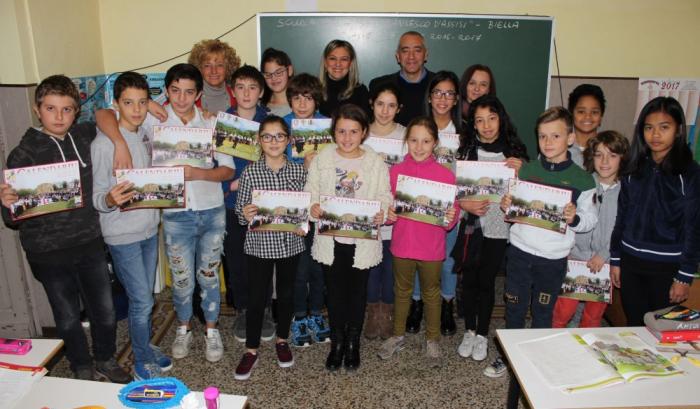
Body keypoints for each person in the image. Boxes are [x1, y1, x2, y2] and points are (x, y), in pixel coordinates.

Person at [96, 63, 235, 363]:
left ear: (198, 94)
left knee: (209, 276)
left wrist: (196, 173)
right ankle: (183, 327)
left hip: (211, 212)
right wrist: (120, 141)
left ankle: (212, 330)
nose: (181, 98)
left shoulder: (212, 123)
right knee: (182, 279)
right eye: (175, 91)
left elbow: (227, 170)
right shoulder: (152, 120)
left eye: (188, 92)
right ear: (166, 91)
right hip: (175, 215)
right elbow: (103, 114)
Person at [0, 75, 130, 382]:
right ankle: (80, 364)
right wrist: (7, 204)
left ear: (76, 111)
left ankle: (106, 358)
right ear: (37, 109)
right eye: (51, 108)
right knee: (68, 316)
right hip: (47, 252)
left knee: (105, 310)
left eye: (67, 109)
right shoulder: (22, 155)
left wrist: (121, 138)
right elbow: (12, 220)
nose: (59, 117)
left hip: (88, 242)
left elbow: (105, 114)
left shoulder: (83, 135)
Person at [497, 107, 597, 380]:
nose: (548, 142)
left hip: (552, 259)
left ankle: (538, 358)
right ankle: (508, 355)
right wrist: (508, 205)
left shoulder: (583, 179)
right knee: (514, 305)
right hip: (519, 252)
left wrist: (574, 217)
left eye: (555, 135)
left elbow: (590, 220)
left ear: (570, 138)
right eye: (542, 136)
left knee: (543, 310)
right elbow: (514, 210)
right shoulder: (527, 170)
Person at [91, 72, 172, 380]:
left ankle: (145, 346)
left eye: (142, 102)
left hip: (149, 229)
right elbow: (97, 195)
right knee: (142, 300)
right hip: (122, 234)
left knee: (145, 299)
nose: (137, 110)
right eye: (128, 103)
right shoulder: (104, 145)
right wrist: (110, 200)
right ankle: (141, 360)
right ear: (116, 105)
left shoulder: (141, 134)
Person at [306, 103, 392, 371]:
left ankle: (353, 342)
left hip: (362, 242)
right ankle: (337, 342)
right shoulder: (323, 157)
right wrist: (313, 207)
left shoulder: (374, 161)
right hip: (331, 241)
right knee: (334, 294)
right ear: (334, 132)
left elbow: (385, 195)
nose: (347, 138)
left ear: (364, 132)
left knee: (357, 294)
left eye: (353, 131)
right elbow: (310, 191)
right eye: (341, 131)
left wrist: (382, 212)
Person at [610, 97, 700, 326]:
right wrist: (616, 259)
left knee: (662, 330)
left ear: (678, 130)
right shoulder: (633, 167)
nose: (655, 135)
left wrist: (685, 275)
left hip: (667, 267)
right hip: (631, 262)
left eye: (664, 127)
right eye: (649, 128)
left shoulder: (689, 173)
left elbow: (694, 226)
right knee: (635, 325)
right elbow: (622, 217)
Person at [377, 116, 459, 367]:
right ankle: (398, 335)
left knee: (431, 294)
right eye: (413, 140)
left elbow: (451, 215)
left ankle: (432, 339)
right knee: (401, 292)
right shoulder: (396, 171)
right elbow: (389, 207)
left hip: (432, 248)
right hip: (402, 244)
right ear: (406, 141)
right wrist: (389, 216)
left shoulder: (445, 176)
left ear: (435, 143)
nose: (419, 146)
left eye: (426, 141)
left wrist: (449, 218)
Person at [455, 95, 528, 368]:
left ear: (501, 119)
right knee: (469, 282)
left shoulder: (513, 156)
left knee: (486, 283)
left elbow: (526, 198)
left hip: (498, 230)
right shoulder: (465, 154)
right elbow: (454, 192)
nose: (486, 126)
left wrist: (523, 172)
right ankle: (470, 330)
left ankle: (483, 334)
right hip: (471, 229)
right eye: (479, 120)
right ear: (473, 125)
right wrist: (464, 203)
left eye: (492, 119)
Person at [233, 116, 307, 380]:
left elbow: (305, 212)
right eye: (267, 136)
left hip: (290, 244)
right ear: (259, 140)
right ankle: (251, 349)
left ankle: (282, 340)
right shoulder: (251, 172)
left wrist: (303, 225)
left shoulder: (299, 172)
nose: (273, 142)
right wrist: (246, 212)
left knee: (286, 295)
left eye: (279, 136)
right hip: (259, 246)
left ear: (288, 140)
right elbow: (240, 215)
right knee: (257, 298)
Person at [552, 130, 628, 328]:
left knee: (593, 317)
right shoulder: (584, 183)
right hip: (575, 258)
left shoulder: (627, 192)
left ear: (622, 158)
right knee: (563, 311)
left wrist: (604, 255)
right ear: (591, 157)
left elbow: (624, 229)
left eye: (612, 155)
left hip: (604, 264)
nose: (604, 161)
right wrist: (566, 250)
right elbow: (569, 218)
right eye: (599, 154)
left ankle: (585, 351)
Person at [406, 70, 463, 337]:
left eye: (449, 93)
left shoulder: (463, 134)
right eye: (438, 92)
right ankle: (416, 304)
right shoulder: (417, 128)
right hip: (420, 211)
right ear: (429, 97)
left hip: (451, 211)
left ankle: (446, 304)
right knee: (420, 259)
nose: (443, 98)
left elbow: (470, 176)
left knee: (448, 262)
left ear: (456, 99)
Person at [222, 64, 272, 343]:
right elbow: (215, 162)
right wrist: (228, 185)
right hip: (232, 202)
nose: (246, 93)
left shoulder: (271, 122)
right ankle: (242, 309)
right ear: (232, 91)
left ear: (261, 92)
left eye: (252, 87)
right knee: (237, 258)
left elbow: (279, 158)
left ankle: (263, 309)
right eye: (240, 87)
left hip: (264, 202)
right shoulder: (224, 122)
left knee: (262, 259)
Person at [283, 73, 332, 348]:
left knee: (318, 267)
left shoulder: (328, 127)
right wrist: (302, 166)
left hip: (322, 209)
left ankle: (317, 314)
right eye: (297, 97)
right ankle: (299, 316)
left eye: (308, 97)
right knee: (299, 270)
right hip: (295, 211)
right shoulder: (283, 126)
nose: (302, 103)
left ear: (317, 99)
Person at [363, 82, 405, 340]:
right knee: (370, 269)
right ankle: (372, 313)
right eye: (380, 104)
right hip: (367, 216)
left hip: (395, 217)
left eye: (391, 106)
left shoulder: (405, 135)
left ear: (399, 108)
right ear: (372, 104)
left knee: (390, 270)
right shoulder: (362, 134)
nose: (385, 111)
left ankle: (387, 313)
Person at [369, 31, 434, 126]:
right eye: (405, 51)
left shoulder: (440, 86)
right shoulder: (379, 85)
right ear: (398, 56)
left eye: (417, 50)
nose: (411, 56)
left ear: (426, 55)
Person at [318, 39, 370, 117]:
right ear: (325, 62)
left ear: (351, 63)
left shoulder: (361, 92)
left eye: (344, 59)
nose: (338, 64)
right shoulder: (313, 89)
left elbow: (365, 124)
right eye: (333, 58)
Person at [188, 39, 240, 114]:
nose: (214, 71)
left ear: (228, 67)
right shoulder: (188, 94)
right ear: (199, 68)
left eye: (219, 65)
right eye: (207, 65)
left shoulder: (239, 96)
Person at [567, 84, 606, 167]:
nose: (588, 117)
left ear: (601, 116)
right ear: (572, 114)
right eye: (581, 112)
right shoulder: (558, 146)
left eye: (594, 112)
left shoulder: (609, 150)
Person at [261, 48, 294, 117]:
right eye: (268, 74)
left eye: (278, 72)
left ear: (290, 70)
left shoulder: (302, 106)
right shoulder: (259, 106)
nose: (274, 78)